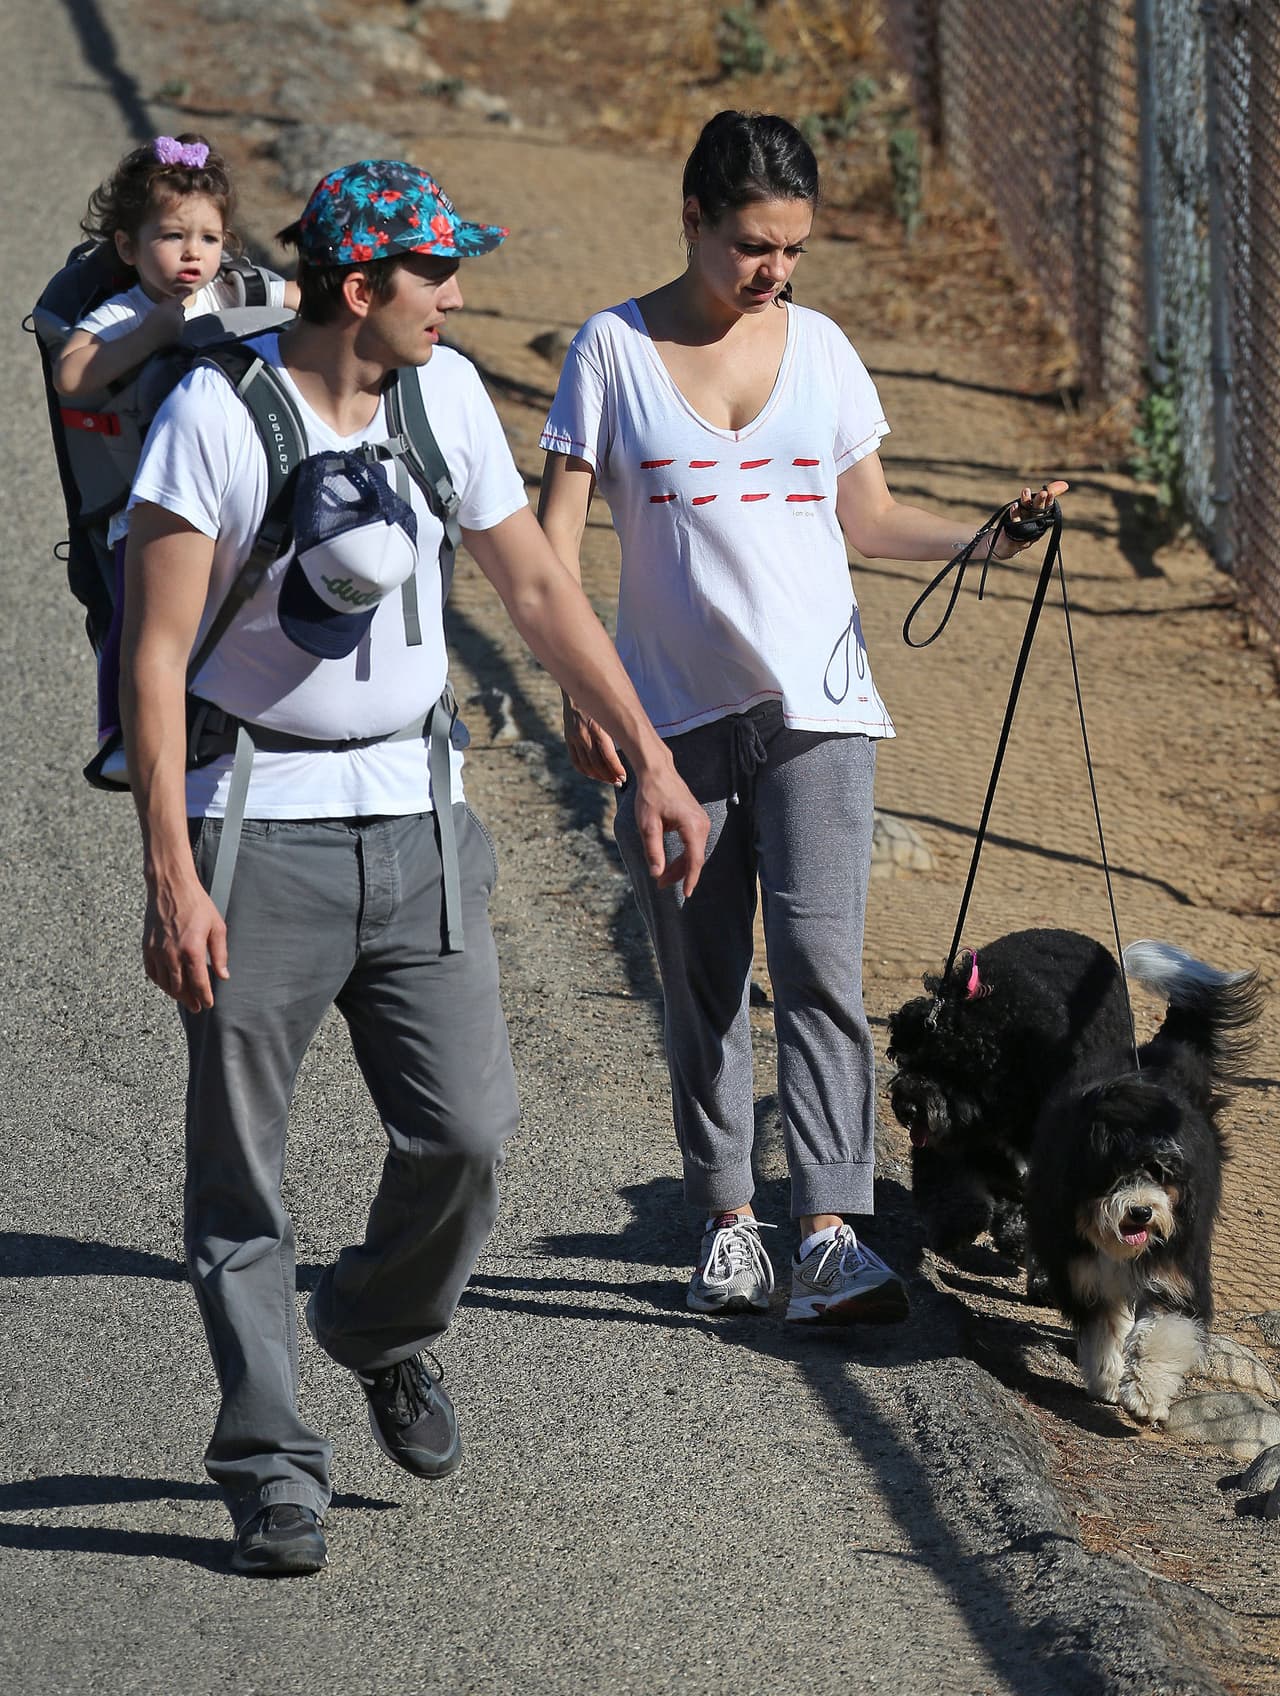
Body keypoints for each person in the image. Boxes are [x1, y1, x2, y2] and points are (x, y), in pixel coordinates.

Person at [120, 158, 708, 1578]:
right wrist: (168, 869)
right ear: (360, 286)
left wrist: (653, 754)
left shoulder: (444, 400)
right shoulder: (215, 415)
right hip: (254, 821)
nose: (457, 299)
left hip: (423, 817)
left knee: (469, 1134)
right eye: (436, 276)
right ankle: (269, 1464)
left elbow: (538, 587)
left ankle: (378, 1326)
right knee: (242, 1173)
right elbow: (147, 652)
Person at [537, 110, 1066, 1326]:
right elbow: (552, 548)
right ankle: (727, 1225)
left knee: (823, 975)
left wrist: (988, 534)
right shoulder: (610, 353)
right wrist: (583, 694)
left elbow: (868, 521)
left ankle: (829, 1229)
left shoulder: (820, 349)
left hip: (821, 713)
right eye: (750, 247)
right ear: (693, 219)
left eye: (790, 250)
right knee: (703, 980)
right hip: (668, 723)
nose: (771, 272)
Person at [54, 133, 300, 767]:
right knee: (138, 614)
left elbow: (306, 303)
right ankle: (121, 733)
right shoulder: (123, 311)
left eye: (210, 240)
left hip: (230, 488)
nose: (193, 254)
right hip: (144, 497)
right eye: (172, 237)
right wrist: (148, 337)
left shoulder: (235, 292)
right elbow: (72, 376)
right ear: (129, 247)